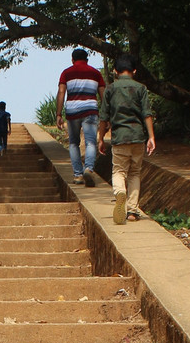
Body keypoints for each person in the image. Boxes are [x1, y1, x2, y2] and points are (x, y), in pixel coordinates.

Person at [97, 54, 156, 225]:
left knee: (118, 171)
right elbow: (147, 114)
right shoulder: (141, 88)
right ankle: (132, 211)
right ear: (134, 71)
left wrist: (101, 138)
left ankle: (120, 192)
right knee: (135, 172)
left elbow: (103, 117)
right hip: (138, 137)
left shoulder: (110, 89)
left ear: (115, 71)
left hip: (119, 137)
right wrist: (151, 137)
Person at [56, 48, 105, 186]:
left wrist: (58, 114)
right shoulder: (96, 73)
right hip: (90, 110)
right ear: (87, 60)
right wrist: (106, 115)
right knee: (90, 142)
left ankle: (78, 175)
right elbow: (103, 95)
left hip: (72, 112)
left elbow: (61, 92)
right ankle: (88, 168)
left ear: (72, 60)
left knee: (73, 143)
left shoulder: (66, 73)